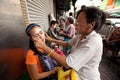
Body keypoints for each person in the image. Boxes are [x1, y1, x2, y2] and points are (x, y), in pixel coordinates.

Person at [34, 6, 106, 80]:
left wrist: (44, 47)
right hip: (76, 73)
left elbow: (67, 64)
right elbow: (67, 43)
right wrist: (51, 39)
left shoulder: (93, 41)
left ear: (92, 24)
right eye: (76, 20)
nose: (75, 24)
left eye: (79, 21)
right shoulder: (81, 35)